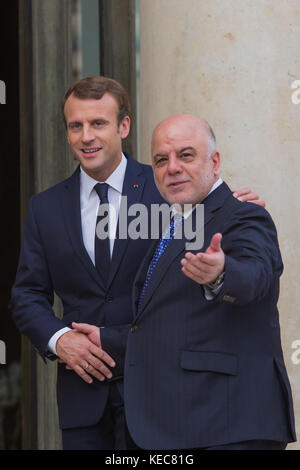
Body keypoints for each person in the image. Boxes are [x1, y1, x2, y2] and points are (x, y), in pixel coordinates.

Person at [10, 76, 265, 450]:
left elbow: (217, 250)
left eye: (98, 123)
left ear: (123, 126)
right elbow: (27, 295)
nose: (86, 137)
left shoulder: (170, 186)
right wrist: (60, 339)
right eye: (75, 126)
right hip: (83, 398)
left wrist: (235, 211)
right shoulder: (44, 208)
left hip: (161, 394)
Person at [121, 115, 296, 450]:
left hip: (227, 425)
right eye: (161, 159)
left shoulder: (244, 214)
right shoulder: (173, 223)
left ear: (215, 162)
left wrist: (221, 273)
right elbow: (161, 323)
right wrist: (103, 338)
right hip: (181, 425)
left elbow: (256, 275)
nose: (171, 167)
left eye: (186, 155)